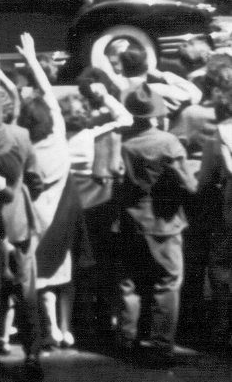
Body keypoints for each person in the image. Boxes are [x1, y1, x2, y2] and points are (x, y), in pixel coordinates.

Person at [113, 85, 199, 362]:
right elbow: (188, 185)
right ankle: (161, 345)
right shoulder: (168, 143)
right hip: (164, 222)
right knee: (168, 280)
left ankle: (126, 339)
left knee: (130, 282)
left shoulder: (121, 140)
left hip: (129, 219)